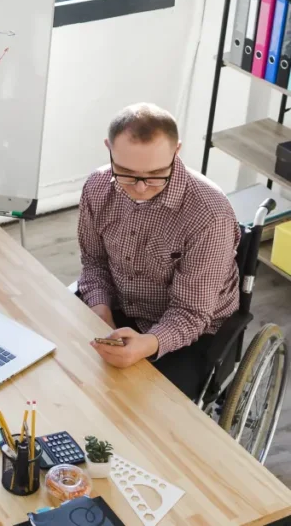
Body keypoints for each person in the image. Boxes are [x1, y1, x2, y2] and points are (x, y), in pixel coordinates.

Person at [77, 103, 240, 399]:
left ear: (177, 151)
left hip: (191, 332)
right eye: (126, 173)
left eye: (155, 174)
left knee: (137, 405)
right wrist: (100, 311)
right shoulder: (96, 187)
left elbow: (191, 312)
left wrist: (148, 343)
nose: (140, 188)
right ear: (109, 149)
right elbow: (94, 263)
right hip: (119, 306)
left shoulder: (210, 216)